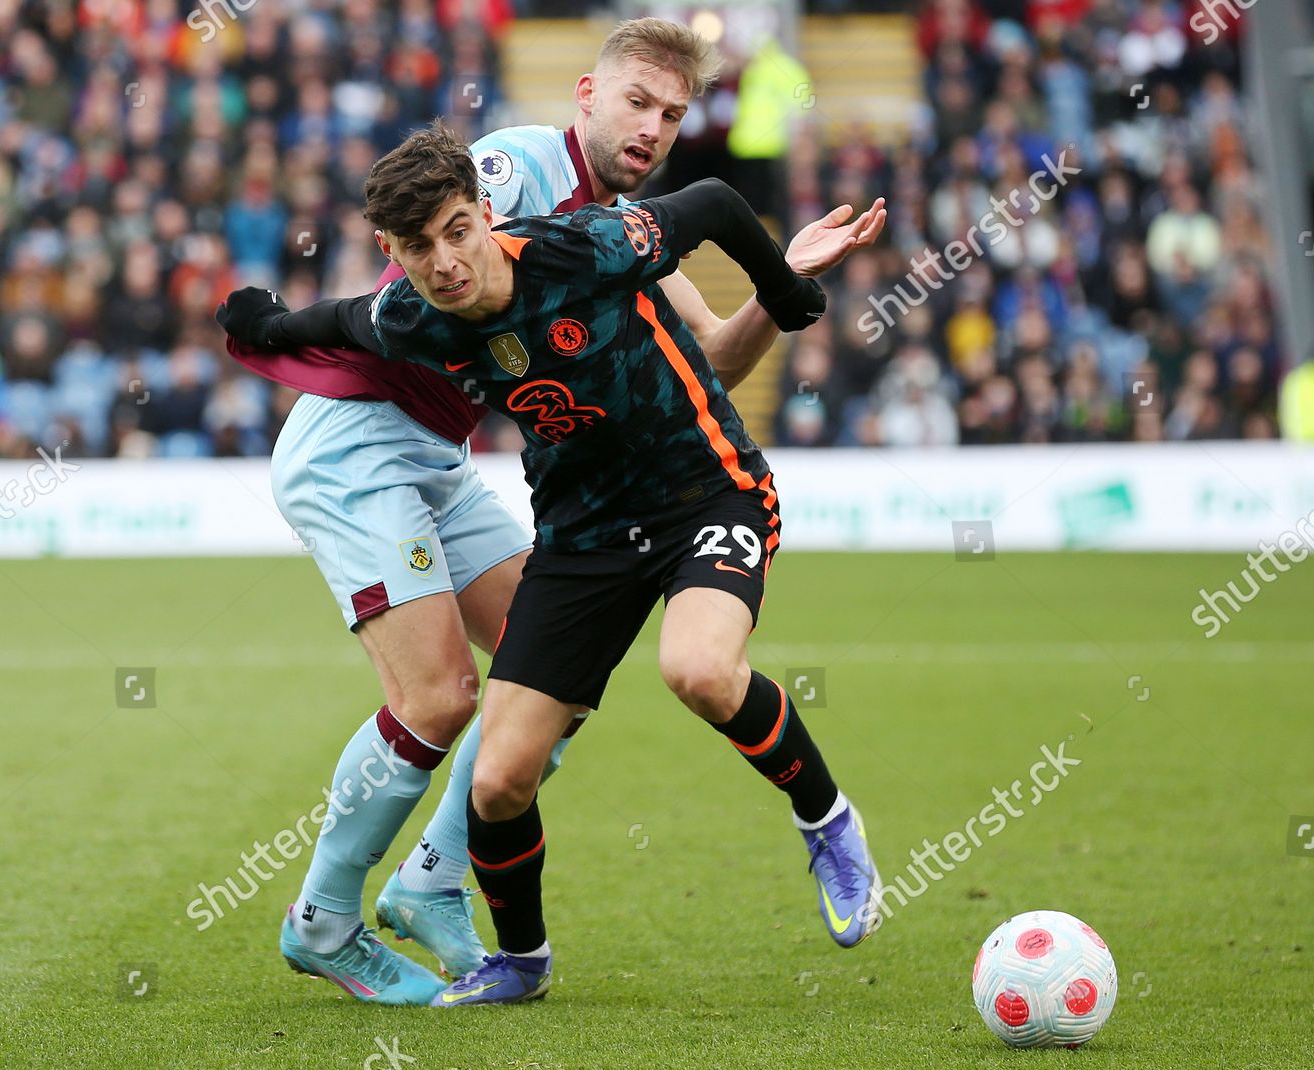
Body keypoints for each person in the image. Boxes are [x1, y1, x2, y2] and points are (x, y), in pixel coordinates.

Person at [223, 18, 884, 1004]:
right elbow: (410, 276)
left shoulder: (610, 227)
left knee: (549, 695)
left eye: (672, 114)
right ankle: (324, 918)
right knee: (442, 698)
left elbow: (717, 359)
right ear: (586, 95)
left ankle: (436, 884)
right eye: (636, 104)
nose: (652, 128)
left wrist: (786, 280)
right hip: (360, 447)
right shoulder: (516, 172)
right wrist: (270, 334)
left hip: (454, 461)